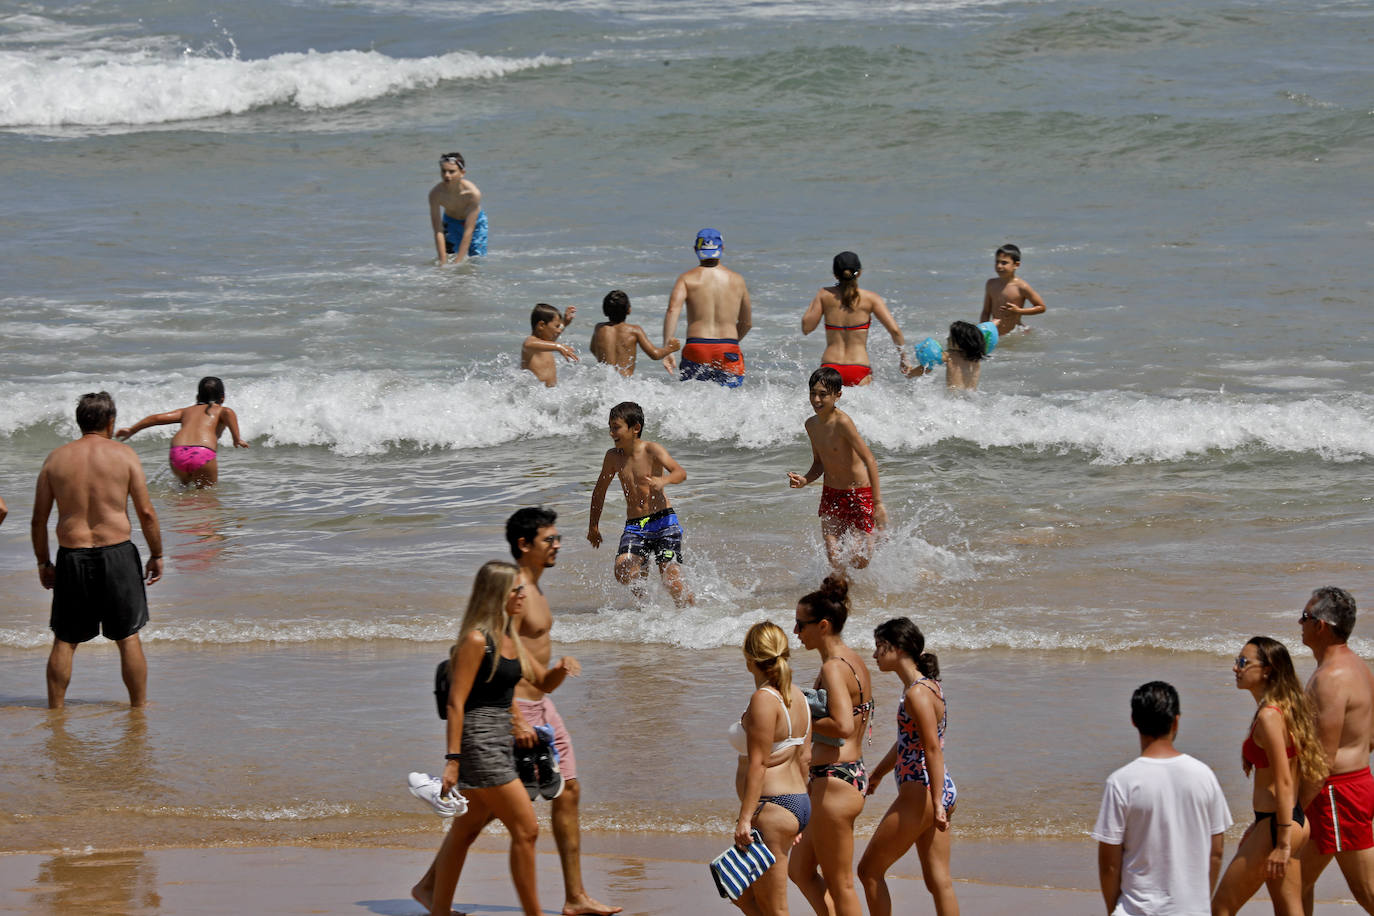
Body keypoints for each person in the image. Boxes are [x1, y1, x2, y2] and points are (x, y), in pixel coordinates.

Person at [412, 508, 620, 916]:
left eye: (558, 538)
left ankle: (573, 896)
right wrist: (513, 720)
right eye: (550, 539)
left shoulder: (529, 592)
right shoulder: (512, 592)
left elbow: (529, 667)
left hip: (539, 703)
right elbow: (474, 686)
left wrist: (557, 672)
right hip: (512, 713)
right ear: (524, 545)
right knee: (491, 817)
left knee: (560, 793)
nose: (558, 544)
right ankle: (435, 890)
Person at [426, 561, 546, 916]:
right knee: (527, 829)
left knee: (464, 832)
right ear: (497, 595)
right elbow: (456, 701)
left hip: (499, 743)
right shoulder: (476, 639)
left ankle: (438, 910)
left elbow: (516, 691)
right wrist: (452, 760)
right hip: (479, 745)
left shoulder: (507, 636)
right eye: (515, 590)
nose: (523, 595)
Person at [31, 392, 163, 709]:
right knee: (127, 636)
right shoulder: (125, 455)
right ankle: (138, 709)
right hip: (117, 553)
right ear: (111, 421)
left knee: (65, 639)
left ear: (79, 423)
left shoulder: (56, 459)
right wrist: (157, 554)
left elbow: (38, 519)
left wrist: (44, 562)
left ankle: (56, 712)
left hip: (72, 555)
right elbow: (146, 513)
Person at [1092, 681, 1231, 916]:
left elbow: (1109, 863)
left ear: (1134, 721)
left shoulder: (1121, 781)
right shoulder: (1204, 775)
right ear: (1176, 721)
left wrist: (1113, 908)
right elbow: (1216, 852)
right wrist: (1198, 903)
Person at [1214, 637, 1326, 916]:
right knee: (1288, 910)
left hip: (1280, 824)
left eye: (1243, 662)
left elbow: (1284, 780)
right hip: (1287, 820)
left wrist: (1283, 842)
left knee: (1221, 908)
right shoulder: (1283, 709)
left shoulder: (1269, 715)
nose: (1235, 668)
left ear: (1267, 669)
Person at [858, 618, 959, 916]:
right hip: (935, 789)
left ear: (898, 648)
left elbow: (931, 748)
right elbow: (908, 743)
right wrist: (878, 774)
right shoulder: (928, 687)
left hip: (924, 791)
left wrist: (938, 803)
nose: (875, 655)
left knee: (868, 871)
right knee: (939, 881)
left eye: (880, 647)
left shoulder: (916, 692)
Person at [789, 576, 874, 916]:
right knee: (800, 871)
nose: (796, 632)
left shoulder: (834, 667)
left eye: (800, 624)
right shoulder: (853, 660)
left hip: (835, 781)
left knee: (841, 884)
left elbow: (843, 725)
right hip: (844, 775)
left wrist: (795, 716)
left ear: (822, 625)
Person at [1298, 587, 1374, 914]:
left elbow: (1324, 758)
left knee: (1366, 890)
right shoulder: (1356, 666)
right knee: (1293, 880)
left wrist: (1292, 812)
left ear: (1321, 626)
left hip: (1336, 794)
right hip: (1342, 789)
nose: (1298, 622)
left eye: (1305, 616)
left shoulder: (1331, 678)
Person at [729, 621, 812, 916]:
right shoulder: (799, 697)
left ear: (749, 658)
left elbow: (758, 764)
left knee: (775, 909)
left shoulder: (764, 699)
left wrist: (745, 819)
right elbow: (804, 758)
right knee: (739, 890)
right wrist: (797, 820)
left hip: (772, 806)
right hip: (794, 803)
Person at [587, 401, 692, 606]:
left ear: (635, 428)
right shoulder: (613, 457)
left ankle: (690, 612)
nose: (611, 433)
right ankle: (648, 609)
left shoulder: (652, 450)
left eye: (616, 427)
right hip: (636, 526)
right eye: (610, 428)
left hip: (664, 523)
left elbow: (680, 473)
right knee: (623, 572)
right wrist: (593, 526)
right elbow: (599, 492)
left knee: (671, 581)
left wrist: (664, 481)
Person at [786, 367, 886, 571]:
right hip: (831, 494)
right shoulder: (811, 425)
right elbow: (819, 462)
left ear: (837, 395)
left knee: (859, 559)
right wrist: (805, 480)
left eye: (823, 394)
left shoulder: (843, 422)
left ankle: (877, 536)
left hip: (859, 494)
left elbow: (869, 460)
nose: (816, 399)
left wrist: (877, 503)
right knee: (834, 558)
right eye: (812, 393)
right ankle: (842, 597)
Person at [115, 377, 249, 486]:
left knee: (183, 492)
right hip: (203, 453)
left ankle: (181, 518)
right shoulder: (223, 410)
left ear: (197, 397)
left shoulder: (186, 411)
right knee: (207, 499)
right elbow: (229, 415)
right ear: (223, 398)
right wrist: (237, 439)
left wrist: (132, 430)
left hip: (177, 453)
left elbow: (155, 418)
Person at [661, 228, 752, 387]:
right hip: (728, 347)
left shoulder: (687, 278)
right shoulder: (737, 280)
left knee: (692, 398)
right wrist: (728, 345)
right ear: (722, 248)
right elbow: (747, 323)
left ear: (696, 249)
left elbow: (672, 310)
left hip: (697, 347)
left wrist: (668, 348)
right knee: (730, 401)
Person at [801, 252, 907, 386]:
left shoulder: (824, 295)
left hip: (830, 367)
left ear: (835, 274)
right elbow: (895, 331)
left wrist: (820, 296)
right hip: (859, 367)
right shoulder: (871, 298)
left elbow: (806, 328)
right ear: (860, 272)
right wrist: (904, 359)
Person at [589, 290, 681, 377]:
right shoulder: (634, 330)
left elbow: (593, 349)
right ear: (629, 310)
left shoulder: (599, 328)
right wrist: (670, 348)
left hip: (605, 380)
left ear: (605, 310)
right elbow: (655, 354)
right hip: (624, 383)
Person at [428, 151, 487, 264]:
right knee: (449, 257)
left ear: (462, 172)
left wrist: (458, 262)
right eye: (444, 171)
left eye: (452, 171)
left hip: (476, 224)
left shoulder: (472, 194)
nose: (447, 175)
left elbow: (469, 230)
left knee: (476, 260)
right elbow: (438, 230)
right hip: (451, 223)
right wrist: (442, 260)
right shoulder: (435, 194)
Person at [979, 243, 1047, 336]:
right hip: (997, 334)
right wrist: (983, 331)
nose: (999, 266)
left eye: (1004, 262)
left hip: (1015, 334)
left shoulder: (1021, 286)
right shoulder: (991, 284)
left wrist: (1019, 311)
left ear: (1016, 265)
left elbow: (1041, 307)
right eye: (997, 262)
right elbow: (986, 312)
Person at [901, 321, 987, 391]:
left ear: (960, 343)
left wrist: (910, 373)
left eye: (950, 337)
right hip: (970, 400)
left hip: (953, 400)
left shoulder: (950, 355)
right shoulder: (976, 359)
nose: (947, 338)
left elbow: (927, 367)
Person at [522, 303, 578, 387]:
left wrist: (565, 323)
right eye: (556, 326)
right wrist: (558, 347)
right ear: (541, 325)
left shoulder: (546, 343)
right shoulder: (532, 341)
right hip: (536, 395)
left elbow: (551, 341)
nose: (559, 331)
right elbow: (528, 344)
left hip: (549, 395)